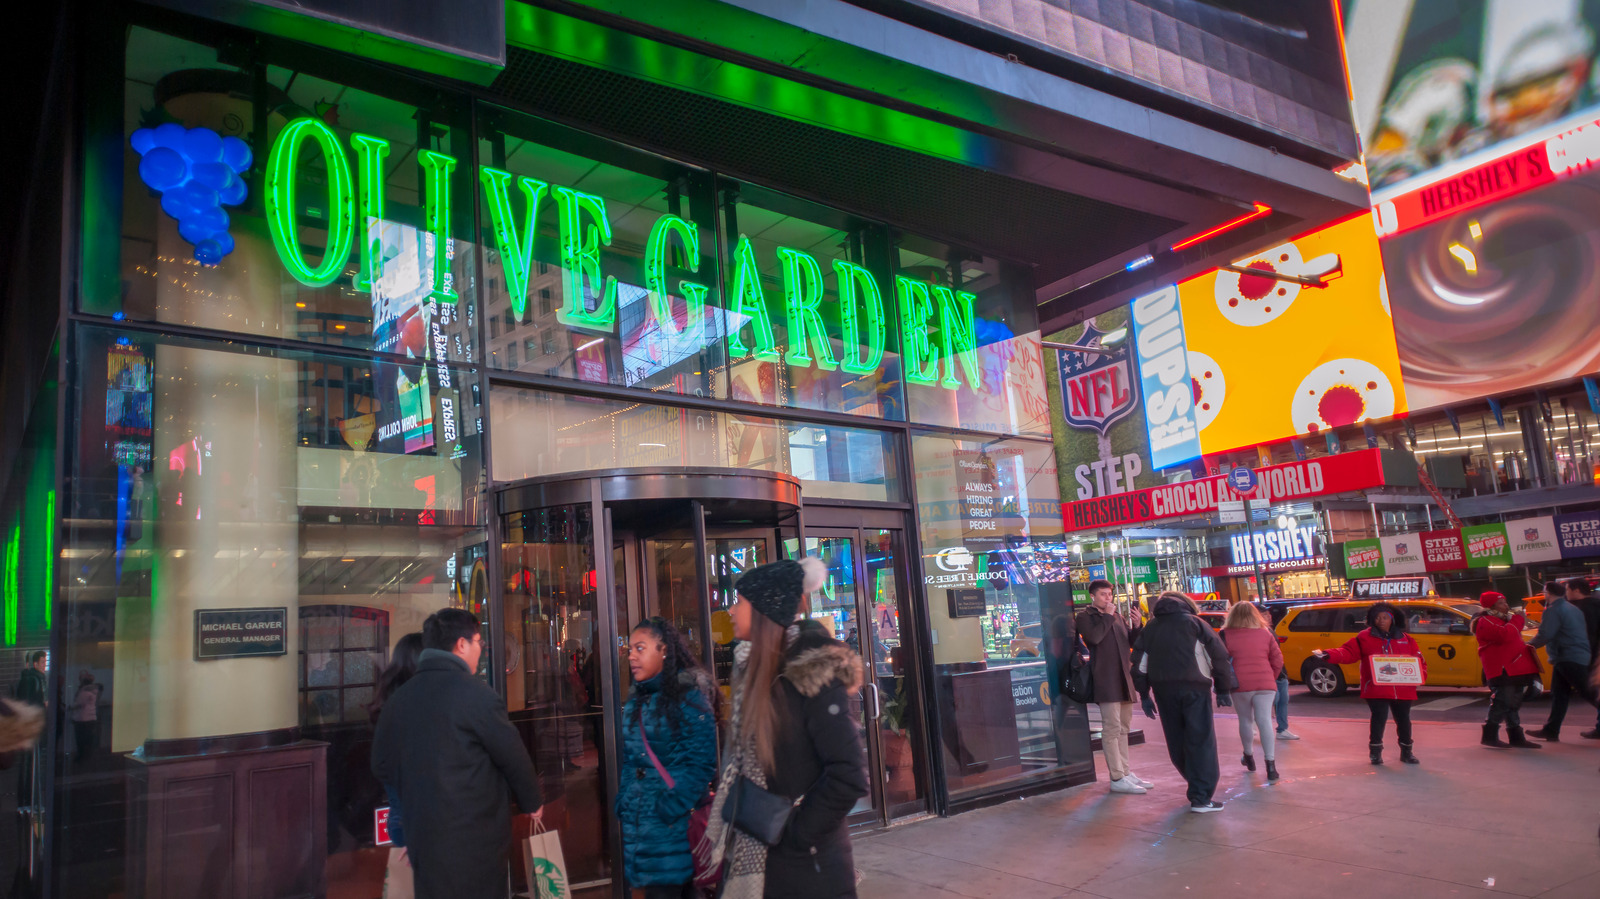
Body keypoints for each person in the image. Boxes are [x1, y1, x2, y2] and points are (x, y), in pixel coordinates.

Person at [706, 557, 868, 899]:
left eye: (739, 602)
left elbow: (849, 774)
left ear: (764, 610)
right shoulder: (753, 673)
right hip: (763, 856)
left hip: (808, 872)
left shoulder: (810, 677)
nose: (731, 611)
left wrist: (796, 835)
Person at [372, 610, 542, 899]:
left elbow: (381, 764)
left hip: (423, 838)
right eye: (478, 642)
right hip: (476, 839)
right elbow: (512, 756)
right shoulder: (477, 695)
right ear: (462, 644)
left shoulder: (399, 700)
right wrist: (532, 801)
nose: (481, 650)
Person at [619, 617, 718, 899]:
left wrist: (669, 806)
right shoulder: (636, 701)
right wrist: (624, 800)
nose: (632, 656)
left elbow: (702, 764)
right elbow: (631, 760)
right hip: (641, 829)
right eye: (630, 650)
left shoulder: (688, 698)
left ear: (663, 650)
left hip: (674, 830)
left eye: (640, 648)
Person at [1131, 592, 1235, 813]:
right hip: (1195, 688)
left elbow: (1139, 665)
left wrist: (1145, 695)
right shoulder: (1195, 624)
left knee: (1176, 740)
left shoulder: (1151, 628)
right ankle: (1201, 796)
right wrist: (1223, 688)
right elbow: (1218, 656)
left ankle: (1195, 785)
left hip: (1163, 691)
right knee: (1201, 740)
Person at [1313, 602, 1425, 764]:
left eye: (1385, 617)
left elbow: (1418, 660)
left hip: (1402, 688)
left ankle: (1407, 752)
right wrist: (1328, 654)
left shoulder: (1406, 639)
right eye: (1377, 617)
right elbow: (1348, 652)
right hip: (1376, 687)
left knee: (1404, 720)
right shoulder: (1364, 637)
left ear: (1392, 619)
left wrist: (1420, 676)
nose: (1381, 621)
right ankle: (1375, 753)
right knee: (1378, 719)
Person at [1074, 579, 1151, 795]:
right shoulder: (1085, 617)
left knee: (1124, 727)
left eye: (1109, 594)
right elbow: (1094, 638)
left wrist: (1137, 626)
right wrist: (1107, 616)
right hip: (1106, 679)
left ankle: (1125, 772)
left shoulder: (1117, 615)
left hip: (1124, 677)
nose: (1108, 598)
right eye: (1103, 594)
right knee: (1112, 728)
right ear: (1092, 596)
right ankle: (1116, 777)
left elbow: (1131, 643)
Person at [368, 631, 424, 871]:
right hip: (419, 821)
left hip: (400, 818)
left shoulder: (390, 704)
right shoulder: (416, 708)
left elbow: (382, 766)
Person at [1528, 580, 1599, 741]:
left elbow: (1545, 634)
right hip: (1576, 654)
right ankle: (1551, 730)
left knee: (1589, 693)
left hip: (1567, 656)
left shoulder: (1554, 610)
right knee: (1560, 694)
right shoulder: (1573, 608)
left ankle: (1551, 730)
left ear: (1548, 593)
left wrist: (1528, 646)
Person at [1471, 592, 1541, 750]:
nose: (1506, 605)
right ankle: (1490, 735)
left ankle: (1516, 736)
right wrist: (1518, 619)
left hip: (1514, 666)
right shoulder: (1485, 621)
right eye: (1501, 603)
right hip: (1501, 668)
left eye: (1505, 602)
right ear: (1492, 606)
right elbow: (1505, 635)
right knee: (1502, 701)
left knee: (1513, 702)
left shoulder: (1504, 619)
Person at [1221, 603, 1282, 780]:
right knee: (1265, 721)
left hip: (1240, 684)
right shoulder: (1265, 633)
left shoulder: (1225, 634)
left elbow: (1219, 661)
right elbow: (1277, 659)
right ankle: (1271, 766)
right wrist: (1270, 677)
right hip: (1265, 683)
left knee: (1245, 720)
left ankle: (1248, 757)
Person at [1255, 603, 1299, 742]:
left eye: (1267, 613)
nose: (1268, 616)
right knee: (1274, 700)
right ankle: (1264, 728)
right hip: (1271, 673)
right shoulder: (1260, 633)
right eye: (1264, 614)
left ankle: (1282, 729)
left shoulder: (1269, 631)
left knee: (1282, 700)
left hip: (1279, 673)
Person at [1565, 578, 1600, 739]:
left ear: (1576, 590)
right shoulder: (1596, 603)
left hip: (1589, 655)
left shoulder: (1581, 609)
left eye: (1567, 589)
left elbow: (1588, 633)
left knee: (1591, 691)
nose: (1566, 593)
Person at [70, 670, 102, 764]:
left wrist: (70, 708)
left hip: (82, 718)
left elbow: (79, 704)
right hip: (91, 718)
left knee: (81, 740)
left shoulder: (84, 691)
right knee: (89, 740)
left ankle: (82, 758)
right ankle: (88, 758)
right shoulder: (95, 690)